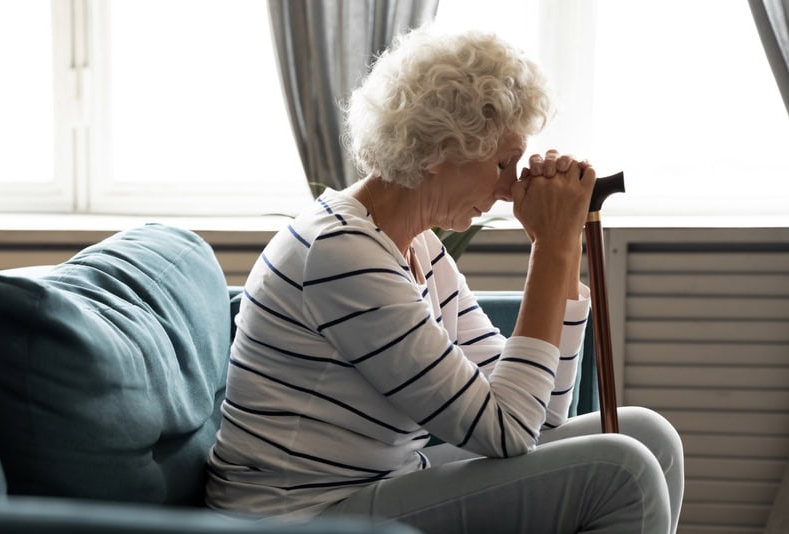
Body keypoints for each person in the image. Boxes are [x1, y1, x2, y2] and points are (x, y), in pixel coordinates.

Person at [205, 25, 683, 534]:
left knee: (648, 436)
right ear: (438, 148)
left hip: (382, 484)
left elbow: (542, 414)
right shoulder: (340, 253)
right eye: (503, 162)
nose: (508, 188)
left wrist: (559, 251)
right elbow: (510, 430)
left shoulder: (415, 244)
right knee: (622, 472)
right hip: (301, 517)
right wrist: (552, 246)